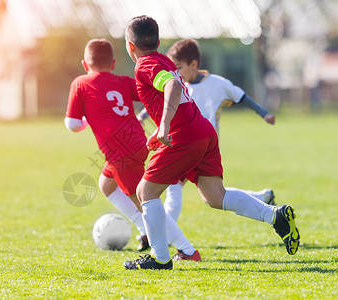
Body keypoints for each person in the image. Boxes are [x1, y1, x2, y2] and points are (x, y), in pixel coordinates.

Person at [123, 15, 300, 270]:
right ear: (159, 41)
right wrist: (162, 128)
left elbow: (172, 86)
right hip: (203, 130)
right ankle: (276, 215)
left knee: (145, 192)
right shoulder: (162, 59)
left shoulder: (144, 65)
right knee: (215, 196)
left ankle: (160, 258)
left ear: (130, 46)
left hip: (186, 136)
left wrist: (164, 125)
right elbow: (176, 93)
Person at [65, 38, 200, 261]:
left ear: (84, 64)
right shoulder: (124, 81)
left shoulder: (80, 83)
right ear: (114, 63)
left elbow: (72, 124)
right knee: (106, 184)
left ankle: (186, 249)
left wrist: (89, 120)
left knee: (146, 201)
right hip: (137, 141)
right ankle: (146, 231)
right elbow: (153, 95)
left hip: (120, 152)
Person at [137, 38, 276, 223]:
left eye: (178, 67)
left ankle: (169, 234)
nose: (175, 71)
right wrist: (143, 116)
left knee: (173, 189)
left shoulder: (218, 83)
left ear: (193, 64)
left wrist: (264, 113)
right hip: (187, 140)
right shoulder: (179, 83)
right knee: (214, 196)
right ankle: (262, 200)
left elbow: (241, 96)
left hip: (198, 143)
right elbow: (164, 99)